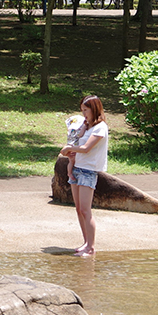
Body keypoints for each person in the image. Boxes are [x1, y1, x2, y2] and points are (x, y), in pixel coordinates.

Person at [59, 95, 109, 257]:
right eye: (82, 110)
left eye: (86, 110)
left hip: (88, 170)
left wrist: (68, 149)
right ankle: (86, 242)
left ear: (94, 109)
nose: (84, 113)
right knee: (79, 209)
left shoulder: (101, 128)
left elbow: (87, 148)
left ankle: (91, 246)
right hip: (77, 168)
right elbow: (79, 141)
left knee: (86, 210)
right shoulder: (87, 126)